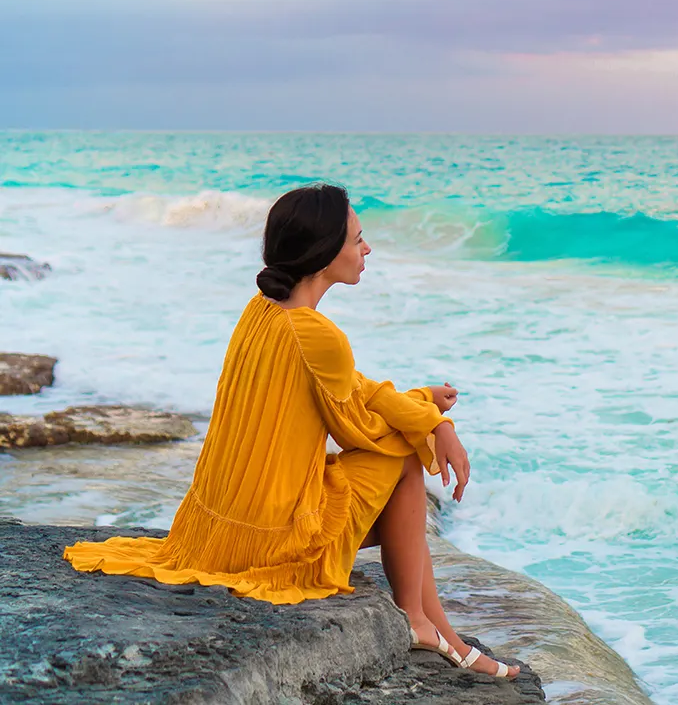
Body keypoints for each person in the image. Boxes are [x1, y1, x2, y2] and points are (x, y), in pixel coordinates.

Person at [63, 183, 518, 679]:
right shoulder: (318, 334)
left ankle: (437, 629)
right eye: (357, 239)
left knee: (405, 446)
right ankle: (420, 621)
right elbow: (360, 431)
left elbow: (352, 384)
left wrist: (429, 410)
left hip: (219, 527)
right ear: (324, 254)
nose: (367, 249)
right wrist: (430, 423)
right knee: (404, 457)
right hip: (273, 540)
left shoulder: (261, 310)